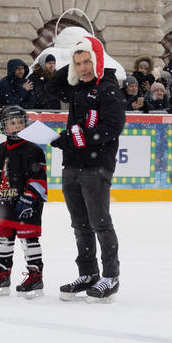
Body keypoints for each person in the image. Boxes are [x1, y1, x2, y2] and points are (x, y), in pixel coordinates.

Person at [45, 35, 126, 303]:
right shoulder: (76, 88)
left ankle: (110, 276)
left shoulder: (109, 89)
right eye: (78, 63)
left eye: (88, 61)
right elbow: (51, 87)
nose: (83, 67)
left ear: (98, 60)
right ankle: (88, 273)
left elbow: (112, 127)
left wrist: (75, 139)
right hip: (72, 165)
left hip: (96, 165)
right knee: (80, 225)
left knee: (100, 224)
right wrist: (70, 59)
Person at [0, 106, 48, 298]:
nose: (17, 126)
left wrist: (29, 198)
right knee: (3, 239)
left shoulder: (33, 150)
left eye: (20, 122)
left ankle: (36, 276)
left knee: (29, 239)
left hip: (26, 205)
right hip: (3, 203)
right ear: (4, 127)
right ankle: (3, 274)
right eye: (12, 123)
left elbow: (38, 178)